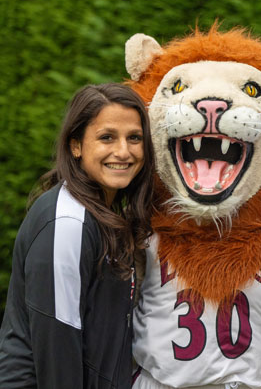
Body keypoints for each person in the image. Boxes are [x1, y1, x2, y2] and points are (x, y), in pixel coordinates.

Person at [0, 83, 155, 389]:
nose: (123, 151)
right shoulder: (68, 221)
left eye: (134, 138)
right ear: (76, 145)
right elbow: (59, 338)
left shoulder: (103, 216)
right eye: (106, 137)